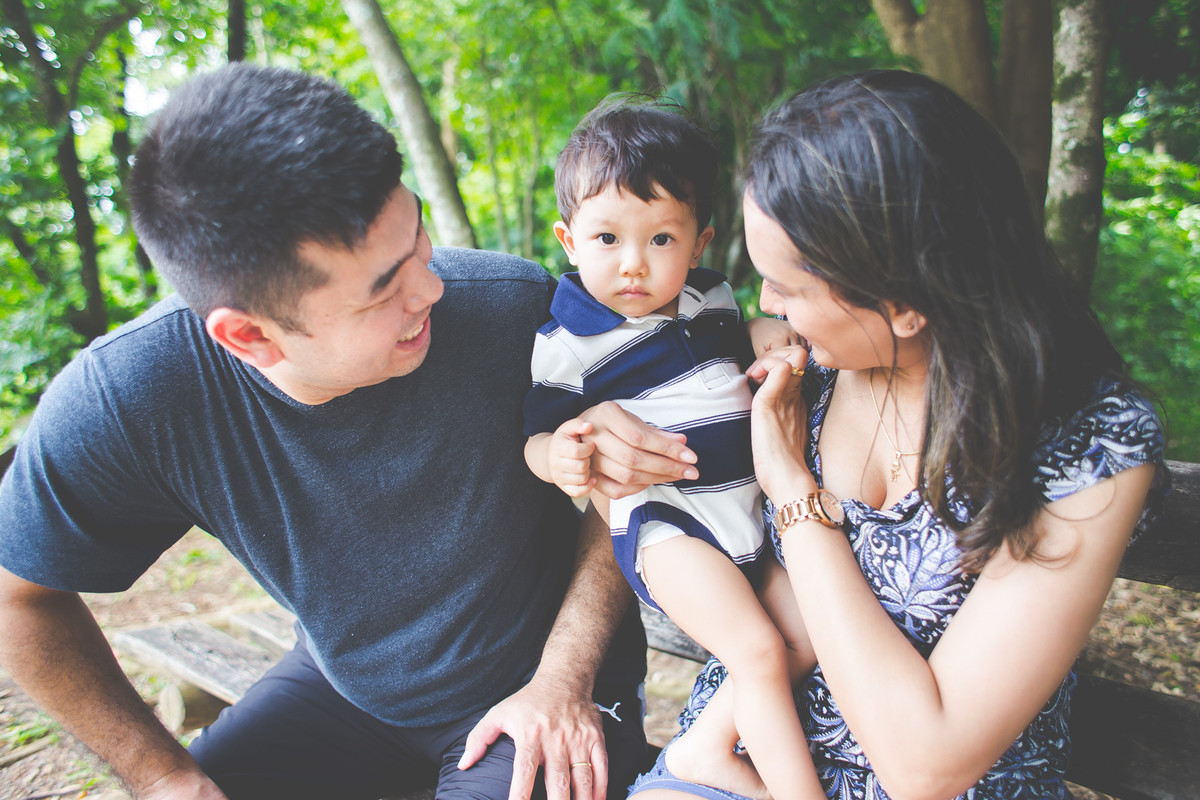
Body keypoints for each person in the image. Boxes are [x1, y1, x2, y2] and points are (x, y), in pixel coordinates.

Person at [0, 63, 698, 800]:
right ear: (249, 336)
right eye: (383, 290)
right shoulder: (134, 396)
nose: (432, 288)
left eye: (417, 236)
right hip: (344, 694)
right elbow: (20, 598)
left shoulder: (511, 307)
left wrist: (564, 678)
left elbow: (624, 488)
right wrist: (163, 776)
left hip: (545, 681)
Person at [628, 69, 1166, 800]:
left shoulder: (1089, 447)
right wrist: (599, 435)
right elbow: (641, 470)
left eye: (788, 287)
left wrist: (792, 488)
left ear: (904, 303)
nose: (766, 304)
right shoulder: (802, 368)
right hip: (726, 765)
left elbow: (925, 764)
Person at [523, 98, 811, 800]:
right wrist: (559, 454)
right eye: (607, 239)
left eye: (660, 240)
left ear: (699, 242)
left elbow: (737, 347)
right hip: (668, 523)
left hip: (747, 517)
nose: (633, 265)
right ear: (568, 238)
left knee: (806, 640)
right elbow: (537, 434)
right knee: (760, 653)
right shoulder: (569, 341)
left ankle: (708, 752)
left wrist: (766, 337)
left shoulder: (710, 299)